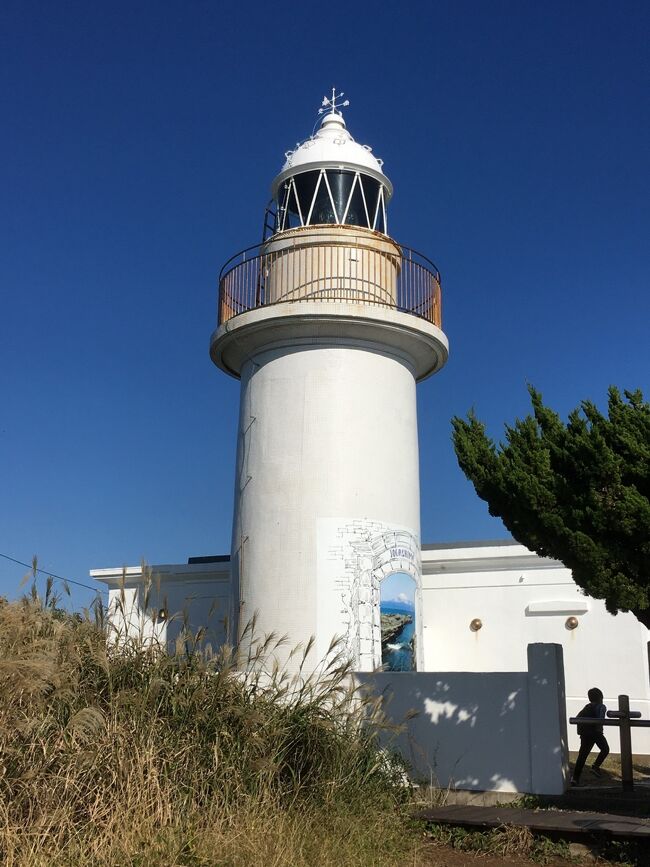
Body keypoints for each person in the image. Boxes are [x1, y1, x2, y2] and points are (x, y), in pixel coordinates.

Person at [571, 687, 610, 786]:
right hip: (596, 733)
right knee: (605, 749)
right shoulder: (601, 706)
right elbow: (601, 720)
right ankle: (595, 766)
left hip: (585, 734)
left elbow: (578, 718)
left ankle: (575, 778)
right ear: (601, 697)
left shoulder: (587, 707)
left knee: (582, 756)